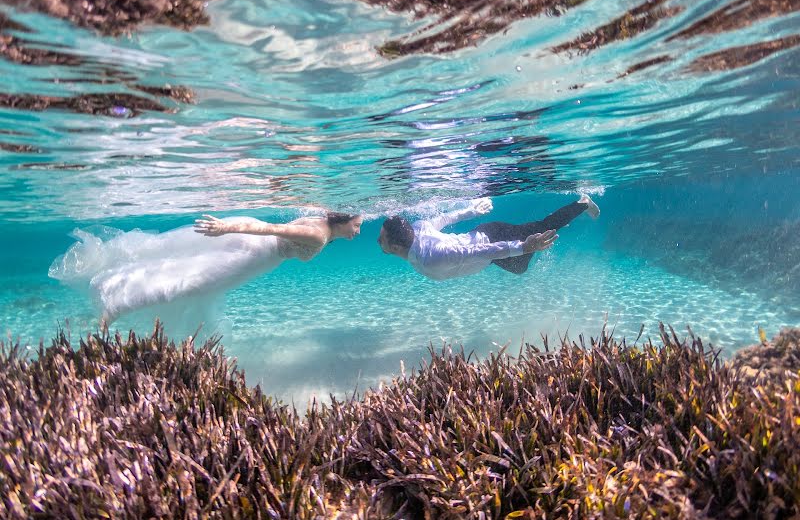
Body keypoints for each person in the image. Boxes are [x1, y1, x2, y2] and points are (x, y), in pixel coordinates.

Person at [49, 211, 362, 327]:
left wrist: (230, 227)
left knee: (184, 269)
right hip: (252, 254)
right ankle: (113, 307)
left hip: (253, 250)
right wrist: (227, 226)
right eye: (357, 225)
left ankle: (115, 290)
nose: (358, 232)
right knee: (191, 283)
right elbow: (267, 227)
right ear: (344, 218)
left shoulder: (319, 218)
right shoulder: (317, 233)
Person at [377, 195, 599, 281]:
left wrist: (522, 246)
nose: (378, 242)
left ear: (396, 247)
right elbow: (443, 219)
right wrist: (471, 211)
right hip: (488, 245)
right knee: (520, 267)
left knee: (540, 232)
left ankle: (582, 203)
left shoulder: (431, 257)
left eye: (381, 240)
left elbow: (479, 251)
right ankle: (553, 223)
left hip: (491, 238)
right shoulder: (417, 231)